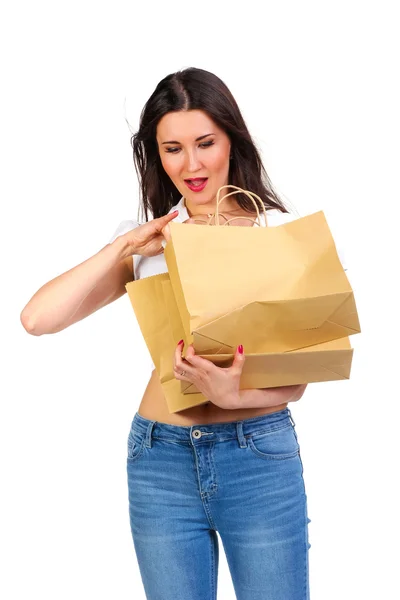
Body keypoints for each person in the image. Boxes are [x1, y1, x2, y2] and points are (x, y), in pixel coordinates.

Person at [21, 67, 314, 600]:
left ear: (231, 140)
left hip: (258, 458)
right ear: (156, 154)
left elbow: (297, 379)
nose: (192, 164)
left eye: (205, 143)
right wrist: (122, 248)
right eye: (172, 148)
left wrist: (234, 394)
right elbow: (38, 319)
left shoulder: (277, 234)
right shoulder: (146, 242)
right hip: (160, 459)